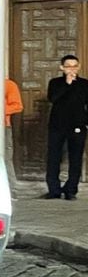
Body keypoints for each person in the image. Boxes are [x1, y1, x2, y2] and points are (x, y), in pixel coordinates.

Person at [45, 54, 88, 200]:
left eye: (75, 66)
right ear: (62, 68)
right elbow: (53, 98)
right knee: (54, 158)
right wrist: (67, 84)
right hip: (57, 126)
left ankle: (71, 190)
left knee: (75, 159)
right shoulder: (55, 83)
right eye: (68, 66)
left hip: (77, 126)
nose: (72, 69)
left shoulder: (84, 84)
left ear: (79, 67)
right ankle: (54, 190)